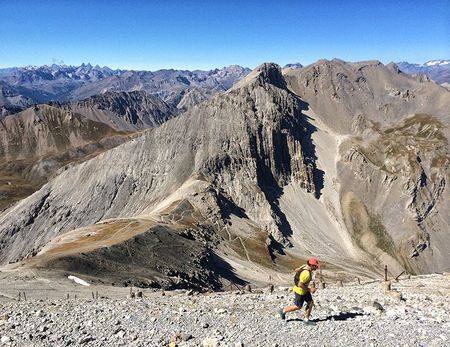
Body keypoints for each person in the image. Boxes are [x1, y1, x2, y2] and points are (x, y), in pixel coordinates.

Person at [278, 258, 320, 325]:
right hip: (300, 291)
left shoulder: (304, 266)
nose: (317, 267)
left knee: (310, 302)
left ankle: (306, 320)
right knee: (298, 306)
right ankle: (283, 311)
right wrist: (310, 289)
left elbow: (297, 269)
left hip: (304, 290)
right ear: (311, 265)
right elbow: (300, 284)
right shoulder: (306, 274)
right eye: (315, 266)